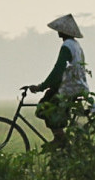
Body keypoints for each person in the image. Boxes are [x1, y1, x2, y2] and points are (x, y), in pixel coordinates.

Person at [28, 13, 89, 148]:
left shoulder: (67, 45)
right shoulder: (76, 45)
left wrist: (41, 86)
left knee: (44, 107)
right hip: (78, 85)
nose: (58, 32)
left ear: (63, 31)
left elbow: (58, 70)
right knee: (51, 98)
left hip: (70, 88)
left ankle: (60, 138)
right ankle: (63, 141)